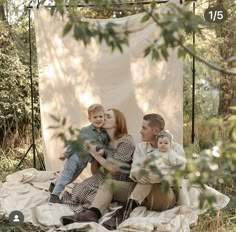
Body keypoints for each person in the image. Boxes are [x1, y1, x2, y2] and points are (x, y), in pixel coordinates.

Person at [61, 108, 135, 225]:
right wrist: (92, 155)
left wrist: (93, 153)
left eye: (108, 117)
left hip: (117, 180)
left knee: (92, 196)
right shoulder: (104, 141)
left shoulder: (126, 141)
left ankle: (94, 212)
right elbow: (94, 171)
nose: (103, 118)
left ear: (117, 122)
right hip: (101, 177)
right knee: (77, 191)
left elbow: (114, 169)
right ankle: (93, 209)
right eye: (103, 116)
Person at [49, 104, 109, 204]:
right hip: (75, 157)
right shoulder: (85, 130)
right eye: (95, 117)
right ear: (90, 119)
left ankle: (54, 185)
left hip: (84, 163)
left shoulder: (104, 134)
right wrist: (66, 154)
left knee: (71, 178)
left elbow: (103, 146)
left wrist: (102, 151)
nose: (98, 119)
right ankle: (54, 196)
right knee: (67, 176)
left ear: (104, 117)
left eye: (100, 117)